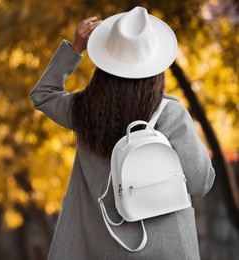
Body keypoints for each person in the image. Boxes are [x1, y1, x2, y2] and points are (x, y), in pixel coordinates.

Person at [29, 6, 215, 260]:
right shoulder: (170, 114)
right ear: (155, 68)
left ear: (104, 65)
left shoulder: (84, 112)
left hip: (103, 248)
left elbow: (43, 95)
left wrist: (75, 48)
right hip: (167, 251)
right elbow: (201, 182)